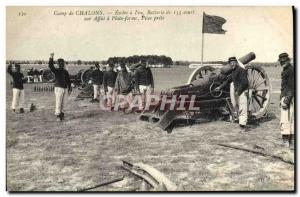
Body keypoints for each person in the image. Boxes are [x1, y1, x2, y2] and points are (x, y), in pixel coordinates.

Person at [216, 57, 249, 129]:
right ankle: (240, 121)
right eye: (230, 63)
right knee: (235, 106)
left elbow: (245, 83)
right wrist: (220, 87)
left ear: (236, 62)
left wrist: (239, 91)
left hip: (242, 92)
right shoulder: (233, 71)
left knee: (242, 108)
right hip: (237, 92)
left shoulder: (241, 70)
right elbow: (228, 80)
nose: (232, 64)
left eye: (233, 62)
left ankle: (242, 126)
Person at [48, 53, 72, 121]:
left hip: (65, 88)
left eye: (62, 63)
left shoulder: (65, 71)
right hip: (58, 88)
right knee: (58, 102)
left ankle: (62, 114)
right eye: (60, 63)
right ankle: (58, 115)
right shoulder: (56, 70)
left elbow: (68, 81)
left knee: (64, 103)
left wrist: (70, 88)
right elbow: (50, 66)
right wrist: (51, 57)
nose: (62, 64)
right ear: (58, 64)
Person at [278, 53, 294, 149]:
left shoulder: (290, 71)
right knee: (291, 119)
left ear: (288, 60)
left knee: (285, 120)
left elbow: (291, 87)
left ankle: (286, 142)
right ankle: (291, 142)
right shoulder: (287, 70)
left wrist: (286, 100)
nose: (282, 63)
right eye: (281, 62)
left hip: (288, 97)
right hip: (289, 96)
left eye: (284, 61)